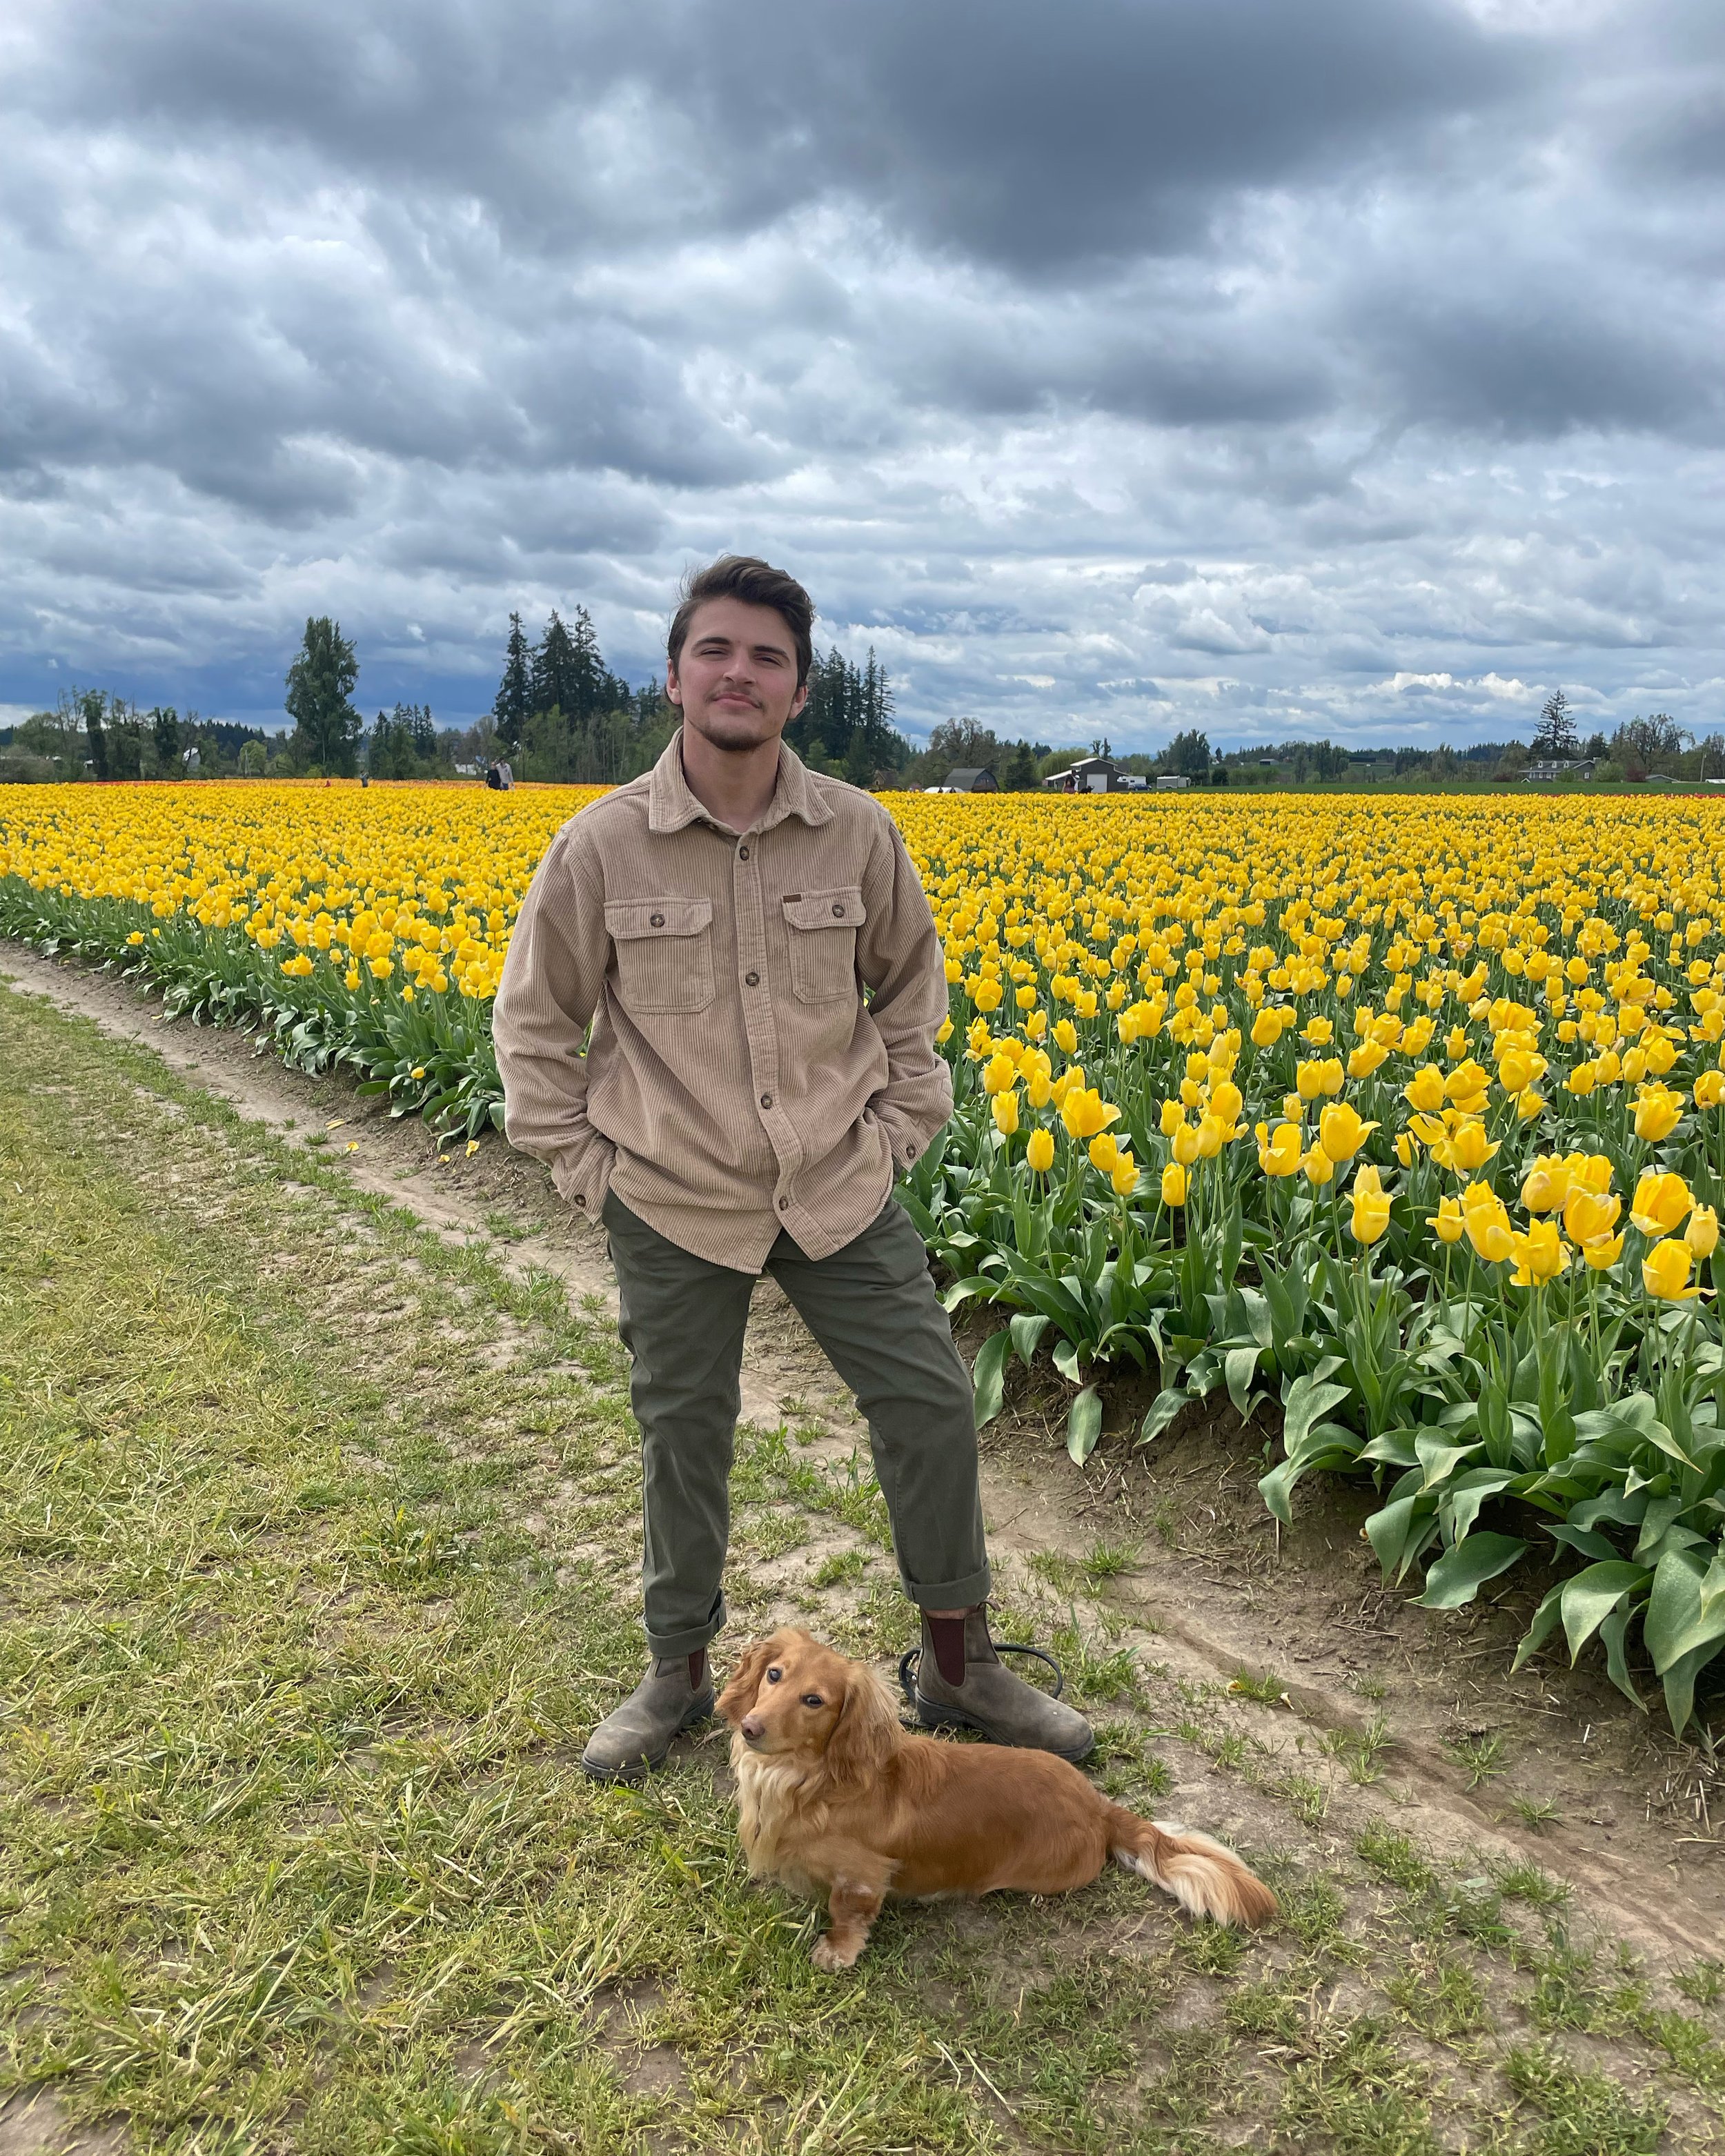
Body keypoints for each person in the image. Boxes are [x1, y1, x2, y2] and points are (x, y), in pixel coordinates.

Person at [493, 555, 1093, 1782]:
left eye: (768, 657)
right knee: (684, 1432)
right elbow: (534, 1026)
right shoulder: (600, 846)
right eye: (716, 649)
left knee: (928, 1400)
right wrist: (589, 1169)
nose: (739, 673)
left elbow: (915, 995)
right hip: (673, 1195)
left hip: (837, 1181)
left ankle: (959, 1657)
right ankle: (676, 1673)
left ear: (799, 691)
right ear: (674, 676)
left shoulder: (859, 831)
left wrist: (898, 1127)